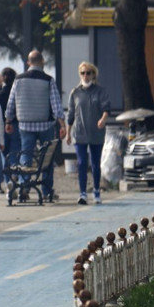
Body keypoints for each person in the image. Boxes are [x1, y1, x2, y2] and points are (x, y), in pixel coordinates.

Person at [5, 50, 67, 200]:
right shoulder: (48, 80)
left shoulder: (18, 80)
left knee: (25, 154)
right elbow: (56, 103)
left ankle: (23, 187)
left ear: (28, 62)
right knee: (47, 157)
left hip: (25, 124)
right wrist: (62, 123)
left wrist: (8, 120)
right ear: (42, 61)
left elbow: (11, 102)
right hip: (45, 124)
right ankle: (46, 191)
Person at [66, 62, 111, 205]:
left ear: (93, 74)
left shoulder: (100, 91)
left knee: (95, 164)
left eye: (89, 73)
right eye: (83, 73)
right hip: (79, 133)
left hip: (96, 133)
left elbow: (106, 109)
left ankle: (96, 191)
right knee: (81, 163)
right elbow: (71, 114)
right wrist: (67, 133)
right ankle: (83, 193)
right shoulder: (75, 92)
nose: (86, 76)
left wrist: (103, 119)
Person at [0, 67, 20, 182]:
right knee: (15, 152)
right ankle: (15, 174)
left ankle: (8, 182)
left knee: (4, 155)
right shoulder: (17, 94)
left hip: (2, 127)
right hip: (16, 125)